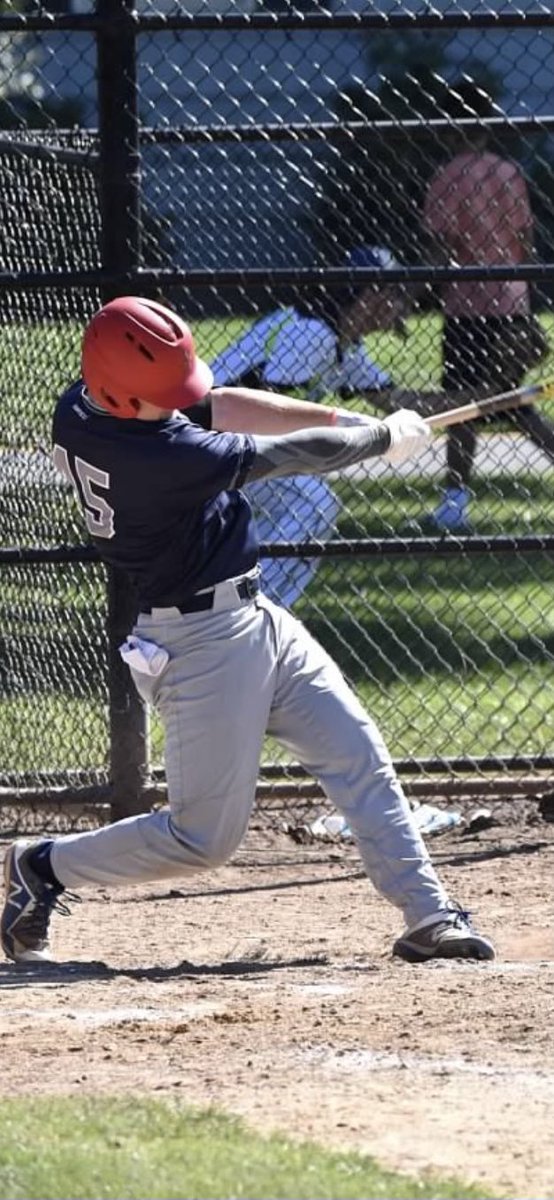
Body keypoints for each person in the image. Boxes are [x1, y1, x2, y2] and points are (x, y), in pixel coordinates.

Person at [1, 295, 495, 967]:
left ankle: (429, 915)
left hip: (257, 619)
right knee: (203, 838)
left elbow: (226, 402)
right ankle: (43, 865)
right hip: (201, 645)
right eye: (161, 399)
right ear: (124, 396)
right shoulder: (162, 459)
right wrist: (379, 441)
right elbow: (288, 455)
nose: (177, 405)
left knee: (357, 753)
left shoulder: (85, 406)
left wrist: (351, 420)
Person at [209, 244, 441, 606]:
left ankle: (242, 602)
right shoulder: (311, 332)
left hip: (236, 446)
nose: (401, 303)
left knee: (301, 503)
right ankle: (250, 609)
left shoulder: (343, 344)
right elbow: (270, 408)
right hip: (216, 442)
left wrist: (490, 396)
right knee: (314, 502)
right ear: (370, 295)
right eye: (394, 292)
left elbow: (402, 402)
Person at [421, 79, 553, 533]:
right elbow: (525, 239)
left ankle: (455, 498)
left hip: (467, 305)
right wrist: (527, 297)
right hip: (511, 299)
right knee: (513, 401)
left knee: (464, 407)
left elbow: (441, 245)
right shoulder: (508, 171)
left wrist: (417, 287)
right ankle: (454, 500)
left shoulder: (447, 175)